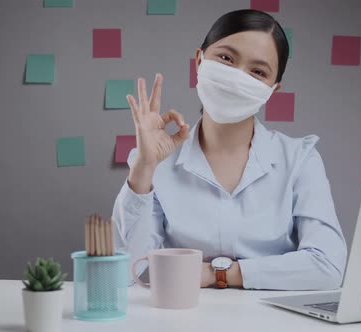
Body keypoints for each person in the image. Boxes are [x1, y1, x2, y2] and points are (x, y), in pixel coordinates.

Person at [112, 9, 347, 290]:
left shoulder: (299, 159)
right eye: (225, 58)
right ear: (199, 60)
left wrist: (218, 274)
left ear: (273, 89)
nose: (237, 78)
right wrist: (144, 169)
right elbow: (124, 272)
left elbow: (328, 266)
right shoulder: (157, 162)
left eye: (258, 72)